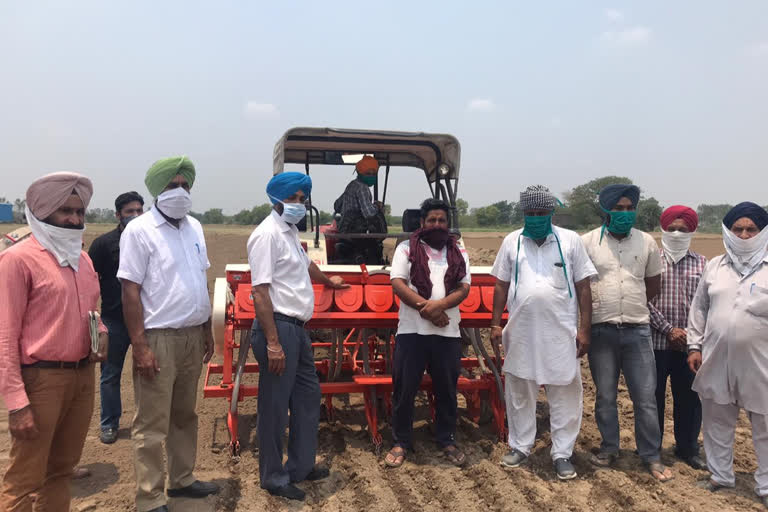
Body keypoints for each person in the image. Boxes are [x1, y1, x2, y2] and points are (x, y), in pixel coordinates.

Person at [0, 172, 107, 511]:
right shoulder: (18, 260)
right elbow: (4, 336)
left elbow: (92, 313)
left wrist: (101, 334)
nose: (74, 219)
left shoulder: (83, 260)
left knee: (60, 472)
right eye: (65, 211)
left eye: (79, 212)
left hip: (81, 379)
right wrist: (17, 403)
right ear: (44, 213)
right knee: (24, 481)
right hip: (40, 381)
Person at [118, 156, 218, 512]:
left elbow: (200, 280)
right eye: (173, 185)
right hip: (158, 338)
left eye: (185, 185)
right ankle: (149, 497)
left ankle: (182, 479)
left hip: (192, 336)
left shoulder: (195, 227)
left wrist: (207, 328)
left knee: (184, 415)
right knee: (151, 422)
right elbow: (130, 291)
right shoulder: (140, 230)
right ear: (158, 191)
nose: (180, 191)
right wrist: (140, 345)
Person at [248, 172, 348, 501]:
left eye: (303, 199)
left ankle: (301, 466)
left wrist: (329, 282)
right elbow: (260, 292)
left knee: (307, 400)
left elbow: (306, 266)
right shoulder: (266, 235)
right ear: (277, 199)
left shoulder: (290, 233)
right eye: (293, 199)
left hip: (299, 329)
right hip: (278, 328)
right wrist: (273, 342)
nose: (299, 204)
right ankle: (273, 476)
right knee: (276, 407)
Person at [490, 185, 596, 480]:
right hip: (521, 332)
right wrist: (495, 323)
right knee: (520, 390)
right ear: (523, 213)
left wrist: (584, 329)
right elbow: (500, 284)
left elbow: (583, 286)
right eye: (530, 214)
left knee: (565, 391)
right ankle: (521, 446)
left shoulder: (570, 241)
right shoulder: (512, 241)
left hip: (560, 333)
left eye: (541, 213)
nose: (535, 218)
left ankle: (562, 453)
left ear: (551, 213)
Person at [581, 184, 673, 482]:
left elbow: (653, 285)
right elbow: (580, 286)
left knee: (645, 397)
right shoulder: (587, 243)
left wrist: (630, 305)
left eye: (628, 208)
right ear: (605, 210)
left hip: (637, 330)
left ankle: (651, 456)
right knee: (605, 396)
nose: (624, 213)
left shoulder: (646, 242)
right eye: (618, 208)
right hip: (601, 331)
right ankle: (609, 448)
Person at [687, 202, 768, 506]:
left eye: (751, 229)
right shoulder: (715, 266)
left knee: (765, 424)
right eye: (738, 229)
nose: (744, 234)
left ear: (762, 232)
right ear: (728, 231)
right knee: (716, 420)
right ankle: (721, 476)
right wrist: (694, 345)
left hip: (761, 362)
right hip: (716, 357)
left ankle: (766, 486)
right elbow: (699, 309)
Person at [384, 198, 471, 468]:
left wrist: (439, 307)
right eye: (431, 220)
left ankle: (447, 438)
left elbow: (463, 287)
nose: (436, 225)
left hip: (448, 333)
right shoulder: (406, 249)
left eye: (441, 220)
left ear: (448, 224)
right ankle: (401, 441)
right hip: (412, 331)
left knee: (447, 389)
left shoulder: (458, 252)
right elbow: (398, 283)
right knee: (405, 389)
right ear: (422, 223)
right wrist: (428, 310)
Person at [648, 205, 707, 469]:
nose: (676, 233)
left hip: (690, 347)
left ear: (692, 231)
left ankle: (688, 448)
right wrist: (668, 329)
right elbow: (642, 300)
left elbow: (705, 305)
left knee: (690, 400)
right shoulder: (651, 260)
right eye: (671, 228)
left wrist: (691, 336)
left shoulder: (703, 264)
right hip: (655, 343)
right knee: (653, 397)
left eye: (682, 230)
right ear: (662, 229)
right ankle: (652, 447)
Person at [88, 191, 145, 444]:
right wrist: (94, 323)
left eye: (138, 211)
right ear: (118, 215)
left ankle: (148, 423)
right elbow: (88, 282)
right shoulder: (103, 244)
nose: (134, 216)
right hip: (114, 320)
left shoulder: (150, 240)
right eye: (129, 211)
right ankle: (109, 424)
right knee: (110, 375)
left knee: (149, 372)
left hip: (147, 320)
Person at [332, 155, 387, 263]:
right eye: (368, 173)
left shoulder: (351, 185)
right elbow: (368, 213)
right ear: (360, 173)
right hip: (356, 233)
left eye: (373, 174)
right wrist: (377, 206)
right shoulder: (362, 188)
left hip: (344, 230)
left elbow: (337, 205)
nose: (371, 176)